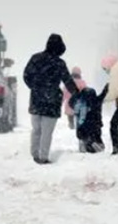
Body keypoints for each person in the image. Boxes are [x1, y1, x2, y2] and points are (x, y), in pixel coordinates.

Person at [23, 34, 78, 164]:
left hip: (36, 99)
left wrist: (35, 87)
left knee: (36, 129)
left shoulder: (35, 58)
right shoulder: (59, 63)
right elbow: (68, 81)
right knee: (46, 132)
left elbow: (26, 75)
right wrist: (77, 93)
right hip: (52, 101)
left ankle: (34, 154)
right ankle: (43, 157)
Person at [70, 85, 108, 153]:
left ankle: (87, 144)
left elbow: (71, 103)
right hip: (96, 126)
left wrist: (75, 94)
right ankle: (94, 144)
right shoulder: (96, 101)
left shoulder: (80, 103)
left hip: (82, 127)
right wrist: (106, 88)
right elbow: (102, 95)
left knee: (84, 137)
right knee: (97, 138)